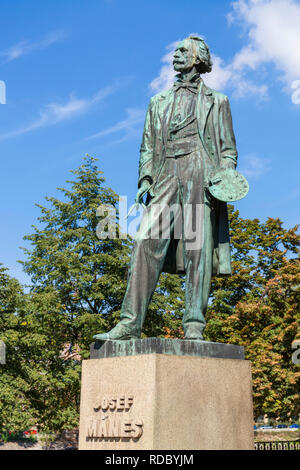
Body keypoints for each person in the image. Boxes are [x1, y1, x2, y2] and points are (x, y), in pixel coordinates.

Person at [94, 36, 237, 341]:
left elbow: (228, 150)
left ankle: (194, 325)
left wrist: (226, 174)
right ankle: (130, 323)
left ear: (198, 58)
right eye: (175, 51)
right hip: (165, 173)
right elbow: (146, 145)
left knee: (198, 248)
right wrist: (145, 178)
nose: (175, 55)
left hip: (200, 171)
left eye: (182, 51)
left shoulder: (218, 100)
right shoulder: (157, 101)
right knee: (146, 242)